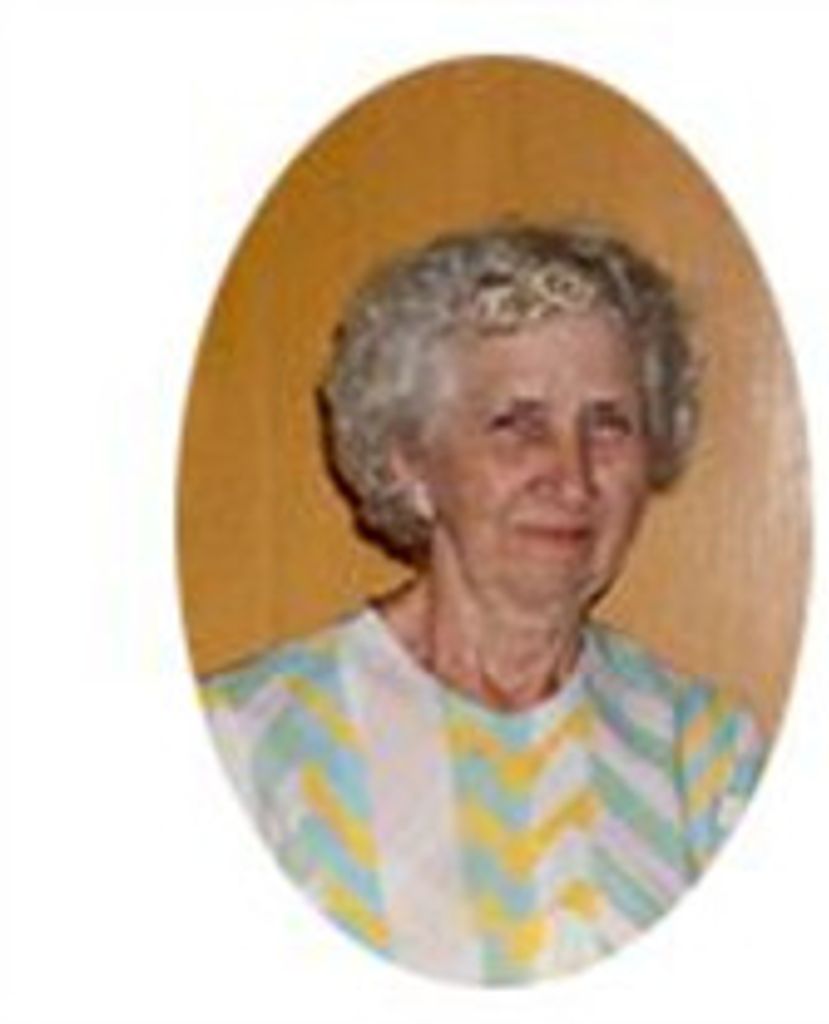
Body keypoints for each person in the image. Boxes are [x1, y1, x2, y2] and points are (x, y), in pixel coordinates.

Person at [201, 223, 766, 985]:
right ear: (411, 464)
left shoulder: (705, 755)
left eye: (608, 424)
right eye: (518, 424)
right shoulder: (246, 744)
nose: (572, 476)